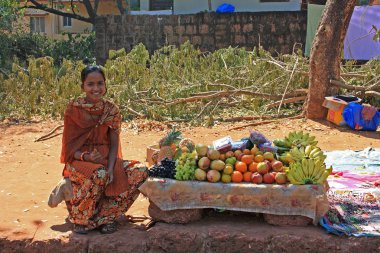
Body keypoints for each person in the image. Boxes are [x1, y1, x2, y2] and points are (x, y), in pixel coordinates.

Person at [60, 65, 147, 234]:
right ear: (82, 87)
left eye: (100, 83)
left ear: (105, 85)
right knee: (99, 174)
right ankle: (81, 219)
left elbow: (114, 143)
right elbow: (69, 148)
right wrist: (86, 157)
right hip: (79, 161)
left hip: (106, 158)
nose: (96, 88)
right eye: (90, 84)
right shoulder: (74, 109)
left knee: (140, 171)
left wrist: (111, 167)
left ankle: (105, 218)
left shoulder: (112, 110)